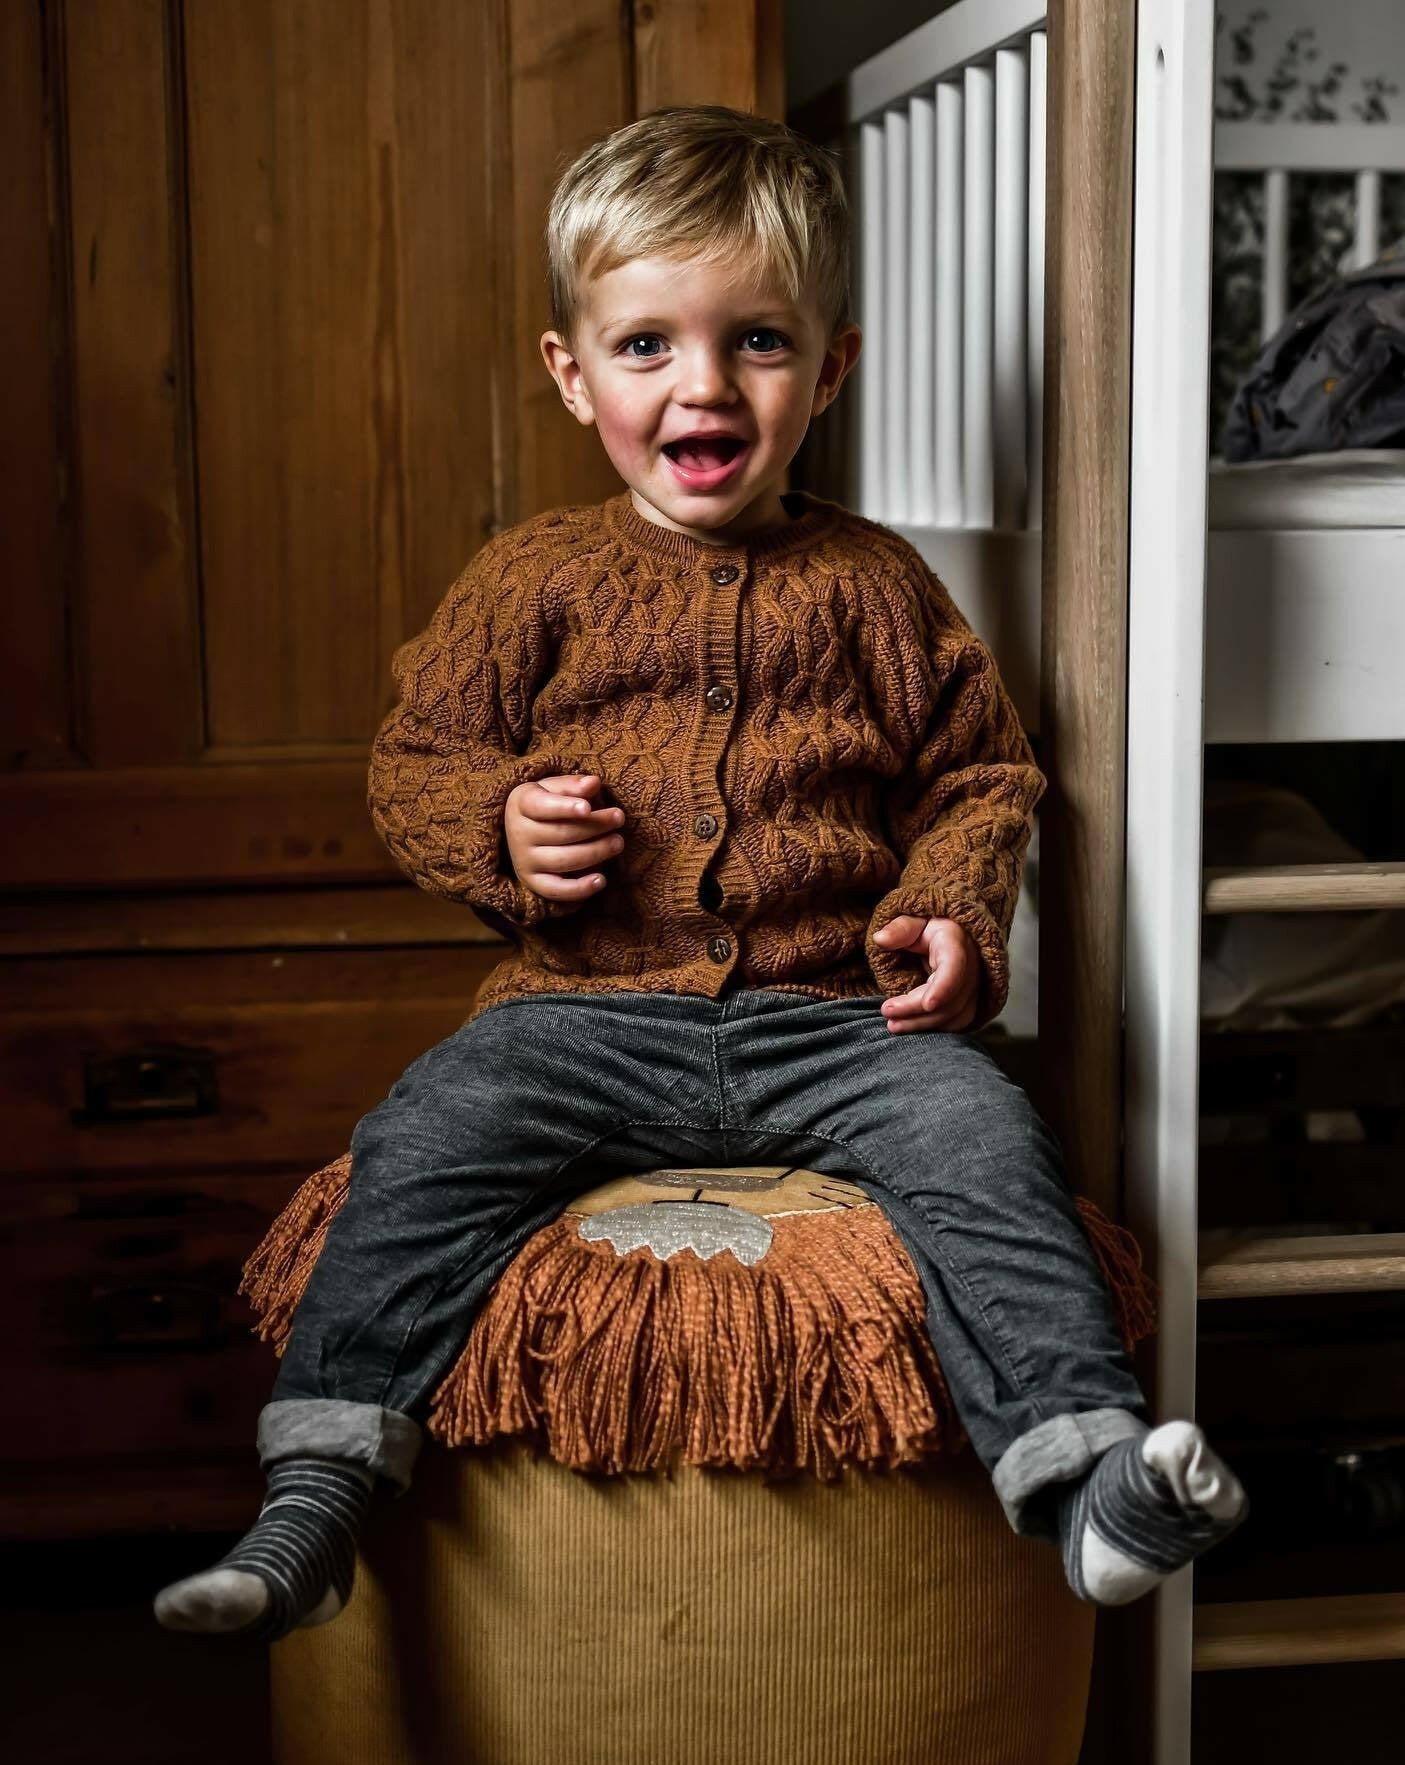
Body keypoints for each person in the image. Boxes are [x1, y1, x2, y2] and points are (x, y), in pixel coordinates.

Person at [155, 104, 1243, 1644]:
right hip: (578, 1015)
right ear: (573, 371)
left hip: (831, 1026)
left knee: (987, 1139)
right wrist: (501, 826)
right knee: (424, 1134)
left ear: (831, 369)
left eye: (758, 341)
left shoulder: (874, 582)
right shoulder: (535, 577)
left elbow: (979, 773)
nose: (704, 385)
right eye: (647, 346)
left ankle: (1083, 1480)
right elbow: (416, 760)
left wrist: (944, 906)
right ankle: (316, 1487)